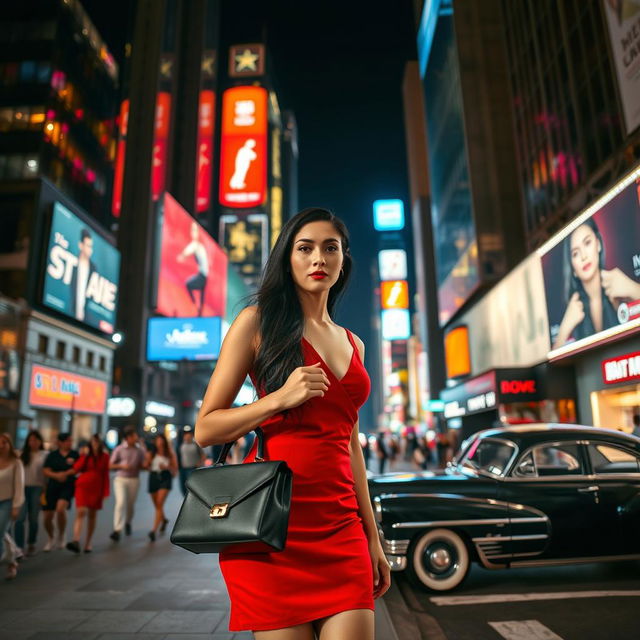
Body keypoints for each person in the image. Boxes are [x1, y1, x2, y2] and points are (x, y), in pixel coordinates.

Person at [195, 207, 391, 638]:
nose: (318, 258)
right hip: (271, 531)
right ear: (288, 258)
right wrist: (278, 399)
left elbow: (351, 443)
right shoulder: (257, 322)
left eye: (330, 248)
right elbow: (206, 428)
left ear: (343, 261)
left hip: (342, 530)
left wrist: (372, 537)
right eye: (305, 248)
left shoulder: (354, 342)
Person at [553, 218, 640, 349]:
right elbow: (554, 363)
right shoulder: (575, 309)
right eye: (575, 253)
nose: (583, 256)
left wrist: (633, 289)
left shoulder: (618, 286)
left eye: (587, 243)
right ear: (573, 268)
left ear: (598, 244)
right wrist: (565, 327)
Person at [64, 435, 110, 553]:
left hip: (97, 487)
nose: (95, 444)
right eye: (93, 442)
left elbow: (105, 475)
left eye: (97, 442)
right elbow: (76, 468)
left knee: (92, 515)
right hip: (83, 486)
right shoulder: (85, 456)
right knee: (81, 511)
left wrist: (106, 491)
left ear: (100, 443)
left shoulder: (105, 457)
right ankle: (76, 539)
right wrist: (83, 456)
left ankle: (88, 542)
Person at [109, 425, 147, 541]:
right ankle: (117, 529)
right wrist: (122, 466)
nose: (136, 437)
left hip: (134, 479)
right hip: (120, 479)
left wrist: (143, 446)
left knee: (130, 504)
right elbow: (110, 465)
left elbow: (144, 464)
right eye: (134, 435)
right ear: (128, 437)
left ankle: (128, 522)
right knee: (120, 503)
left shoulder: (139, 450)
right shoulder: (119, 449)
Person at [42, 433, 78, 551]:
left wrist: (65, 474)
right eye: (67, 441)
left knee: (60, 509)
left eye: (71, 441)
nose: (70, 443)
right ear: (60, 442)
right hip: (53, 486)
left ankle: (61, 535)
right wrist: (56, 475)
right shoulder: (52, 455)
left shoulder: (74, 454)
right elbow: (46, 470)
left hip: (67, 486)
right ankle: (51, 537)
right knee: (47, 516)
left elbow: (77, 468)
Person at [15, 430, 47, 556]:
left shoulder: (45, 454)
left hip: (37, 488)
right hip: (22, 488)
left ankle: (31, 542)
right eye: (31, 440)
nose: (33, 442)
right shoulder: (21, 454)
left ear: (40, 441)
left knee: (33, 518)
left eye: (36, 440)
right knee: (19, 519)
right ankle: (19, 546)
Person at [0, 433, 24, 579]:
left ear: (9, 444)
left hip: (8, 502)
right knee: (3, 534)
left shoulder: (16, 463)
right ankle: (12, 560)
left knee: (0, 532)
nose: (1, 446)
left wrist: (16, 505)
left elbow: (19, 486)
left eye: (4, 443)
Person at [146, 433, 177, 542]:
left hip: (165, 477)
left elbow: (175, 469)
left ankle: (153, 530)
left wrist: (167, 467)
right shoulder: (151, 452)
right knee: (156, 504)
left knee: (159, 503)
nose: (159, 442)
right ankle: (163, 520)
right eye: (157, 440)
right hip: (153, 477)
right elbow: (146, 465)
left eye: (161, 440)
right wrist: (147, 462)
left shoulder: (170, 453)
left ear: (164, 441)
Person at [177, 221, 209, 316]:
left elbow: (187, 252)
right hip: (203, 276)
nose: (193, 233)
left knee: (188, 284)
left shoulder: (197, 245)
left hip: (202, 276)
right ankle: (197, 308)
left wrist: (182, 256)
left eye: (195, 230)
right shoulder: (199, 245)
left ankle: (194, 305)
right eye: (192, 230)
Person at [178, 428, 205, 496]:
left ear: (192, 437)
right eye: (186, 436)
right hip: (183, 469)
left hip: (193, 468)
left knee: (193, 487)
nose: (187, 438)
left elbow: (203, 455)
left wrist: (200, 463)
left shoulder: (195, 445)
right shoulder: (180, 445)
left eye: (189, 436)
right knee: (183, 487)